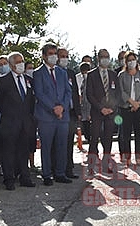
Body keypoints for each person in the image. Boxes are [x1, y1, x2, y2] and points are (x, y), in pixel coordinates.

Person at [0, 52, 37, 190]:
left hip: (25, 122)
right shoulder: (3, 80)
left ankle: (25, 177)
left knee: (24, 151)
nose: (21, 64)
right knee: (8, 151)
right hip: (9, 122)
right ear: (11, 64)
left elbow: (31, 100)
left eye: (22, 61)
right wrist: (9, 112)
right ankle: (9, 179)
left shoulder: (28, 80)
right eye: (18, 62)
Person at [33, 43, 73, 186]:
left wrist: (62, 107)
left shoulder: (62, 72)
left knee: (62, 145)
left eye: (55, 53)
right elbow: (39, 93)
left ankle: (60, 173)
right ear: (44, 56)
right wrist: (53, 108)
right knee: (47, 146)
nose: (54, 56)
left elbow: (68, 92)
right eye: (50, 53)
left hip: (63, 117)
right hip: (46, 117)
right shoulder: (38, 73)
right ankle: (47, 174)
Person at [86, 48, 119, 173]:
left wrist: (112, 108)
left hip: (110, 113)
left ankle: (106, 164)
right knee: (94, 138)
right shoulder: (91, 75)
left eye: (107, 56)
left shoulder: (113, 75)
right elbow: (89, 95)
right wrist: (101, 108)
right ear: (98, 59)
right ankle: (91, 166)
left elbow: (117, 93)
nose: (105, 59)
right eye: (103, 57)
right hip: (97, 112)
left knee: (108, 139)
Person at [118, 51, 140, 166]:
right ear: (125, 62)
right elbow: (121, 91)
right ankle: (128, 157)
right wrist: (131, 102)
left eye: (133, 59)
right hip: (126, 108)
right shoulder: (121, 75)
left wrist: (138, 103)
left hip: (139, 108)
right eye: (129, 60)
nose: (131, 62)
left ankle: (138, 156)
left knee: (139, 133)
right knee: (126, 134)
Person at [56, 47, 81, 178]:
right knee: (58, 143)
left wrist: (78, 111)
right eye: (62, 56)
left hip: (70, 113)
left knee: (69, 142)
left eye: (66, 56)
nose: (64, 58)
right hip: (58, 113)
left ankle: (69, 169)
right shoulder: (53, 73)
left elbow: (75, 93)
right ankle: (57, 169)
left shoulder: (71, 73)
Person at [78, 62, 92, 142]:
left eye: (86, 72)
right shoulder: (83, 82)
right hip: (84, 110)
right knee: (86, 132)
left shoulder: (92, 81)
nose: (84, 74)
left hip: (90, 110)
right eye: (83, 72)